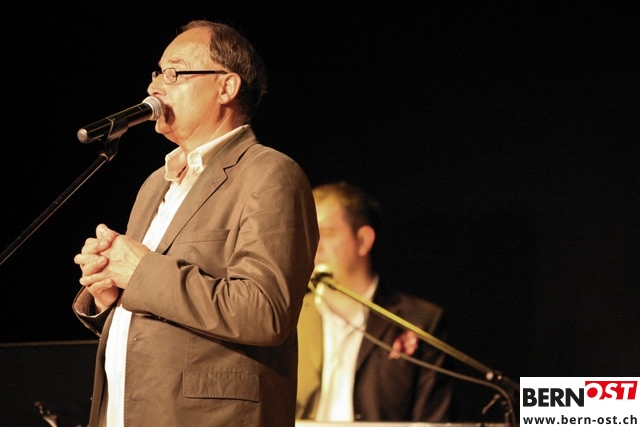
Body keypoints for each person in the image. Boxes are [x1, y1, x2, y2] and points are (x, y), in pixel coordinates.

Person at [72, 20, 319, 427]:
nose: (154, 86)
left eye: (175, 73)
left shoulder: (270, 174)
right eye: (157, 72)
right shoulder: (156, 184)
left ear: (226, 87)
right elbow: (158, 316)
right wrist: (109, 294)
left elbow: (265, 311)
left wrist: (140, 271)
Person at [296, 181, 454, 422]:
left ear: (363, 240)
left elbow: (433, 420)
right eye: (308, 235)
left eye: (327, 233)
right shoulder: (289, 317)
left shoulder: (418, 320)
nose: (314, 246)